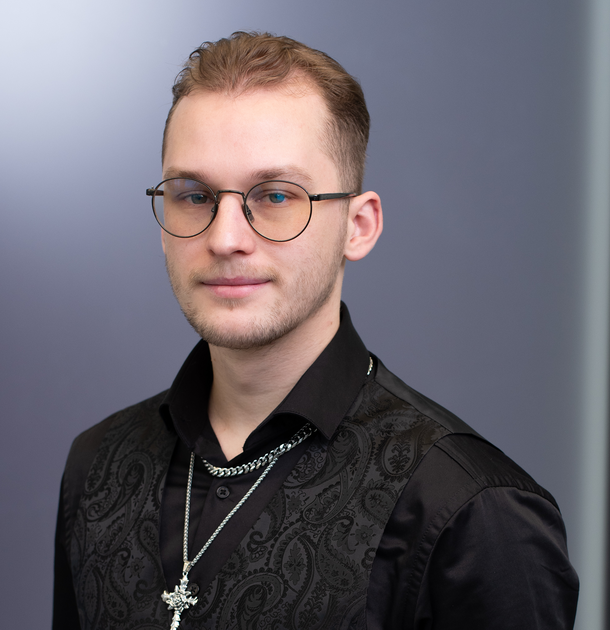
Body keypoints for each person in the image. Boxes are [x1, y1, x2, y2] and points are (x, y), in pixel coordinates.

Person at [52, 31, 579, 629]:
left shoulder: (471, 511)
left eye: (276, 195)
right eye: (194, 195)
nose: (226, 238)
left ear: (359, 226)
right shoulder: (98, 463)